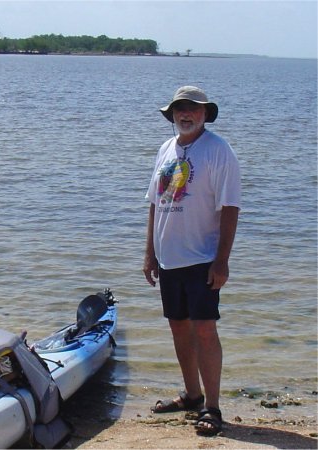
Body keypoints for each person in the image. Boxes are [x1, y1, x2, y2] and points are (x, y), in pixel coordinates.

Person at [143, 86, 241, 436]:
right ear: (171, 115)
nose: (186, 114)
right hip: (169, 258)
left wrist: (222, 261)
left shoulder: (219, 150)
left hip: (202, 258)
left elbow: (230, 207)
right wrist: (149, 253)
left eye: (193, 109)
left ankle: (213, 407)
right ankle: (192, 395)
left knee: (204, 329)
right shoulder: (165, 150)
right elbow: (156, 203)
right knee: (179, 327)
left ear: (205, 114)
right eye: (180, 109)